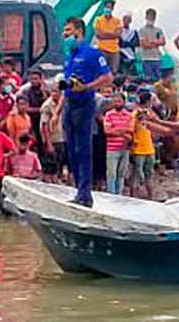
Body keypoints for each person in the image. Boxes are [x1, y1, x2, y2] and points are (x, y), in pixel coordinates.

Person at [62, 17, 113, 208]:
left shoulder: (92, 53)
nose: (64, 34)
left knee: (83, 148)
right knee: (71, 148)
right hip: (69, 102)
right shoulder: (70, 54)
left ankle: (85, 193)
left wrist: (87, 87)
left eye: (68, 30)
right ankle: (78, 190)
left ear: (79, 31)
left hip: (84, 104)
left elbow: (108, 77)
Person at [129, 91, 162, 199]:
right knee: (138, 174)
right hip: (138, 148)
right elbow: (130, 129)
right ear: (148, 102)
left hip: (148, 147)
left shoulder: (149, 114)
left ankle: (150, 196)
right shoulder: (135, 114)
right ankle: (134, 196)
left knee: (148, 174)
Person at [102, 92, 131, 195]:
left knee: (121, 174)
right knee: (111, 174)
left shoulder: (128, 115)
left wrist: (116, 130)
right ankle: (111, 195)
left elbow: (131, 130)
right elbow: (107, 131)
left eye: (119, 101)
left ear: (124, 102)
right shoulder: (108, 115)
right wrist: (123, 132)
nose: (116, 103)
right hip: (112, 148)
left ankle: (119, 195)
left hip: (125, 148)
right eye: (115, 101)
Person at [40, 86, 66, 182]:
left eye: (57, 91)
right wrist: (48, 143)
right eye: (53, 91)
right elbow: (44, 126)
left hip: (60, 139)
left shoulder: (62, 104)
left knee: (57, 166)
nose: (55, 94)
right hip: (51, 140)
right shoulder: (47, 106)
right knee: (49, 168)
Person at [93, 0, 122, 72]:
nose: (107, 9)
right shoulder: (98, 20)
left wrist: (104, 34)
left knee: (114, 72)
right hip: (102, 50)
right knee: (102, 71)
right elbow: (98, 35)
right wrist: (112, 34)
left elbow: (118, 35)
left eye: (109, 7)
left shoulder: (117, 20)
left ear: (112, 9)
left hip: (114, 51)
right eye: (106, 7)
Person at [137, 9, 165, 81]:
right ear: (146, 17)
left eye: (152, 17)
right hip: (146, 58)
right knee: (148, 79)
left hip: (157, 58)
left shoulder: (158, 30)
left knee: (158, 80)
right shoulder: (142, 30)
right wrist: (156, 43)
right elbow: (144, 44)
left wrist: (151, 42)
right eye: (149, 16)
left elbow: (163, 42)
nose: (151, 19)